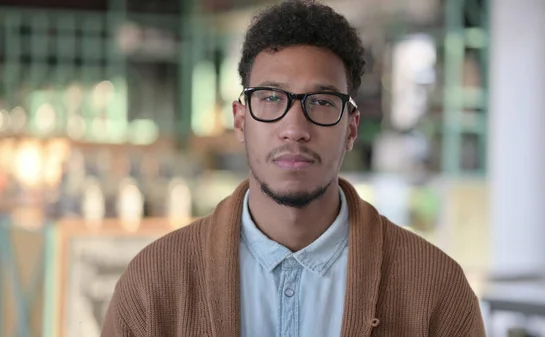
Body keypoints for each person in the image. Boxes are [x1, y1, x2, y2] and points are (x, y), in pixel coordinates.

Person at [101, 1, 486, 336]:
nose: (294, 129)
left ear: (351, 127)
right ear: (240, 120)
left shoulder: (436, 290)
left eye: (320, 102)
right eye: (270, 98)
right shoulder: (154, 284)